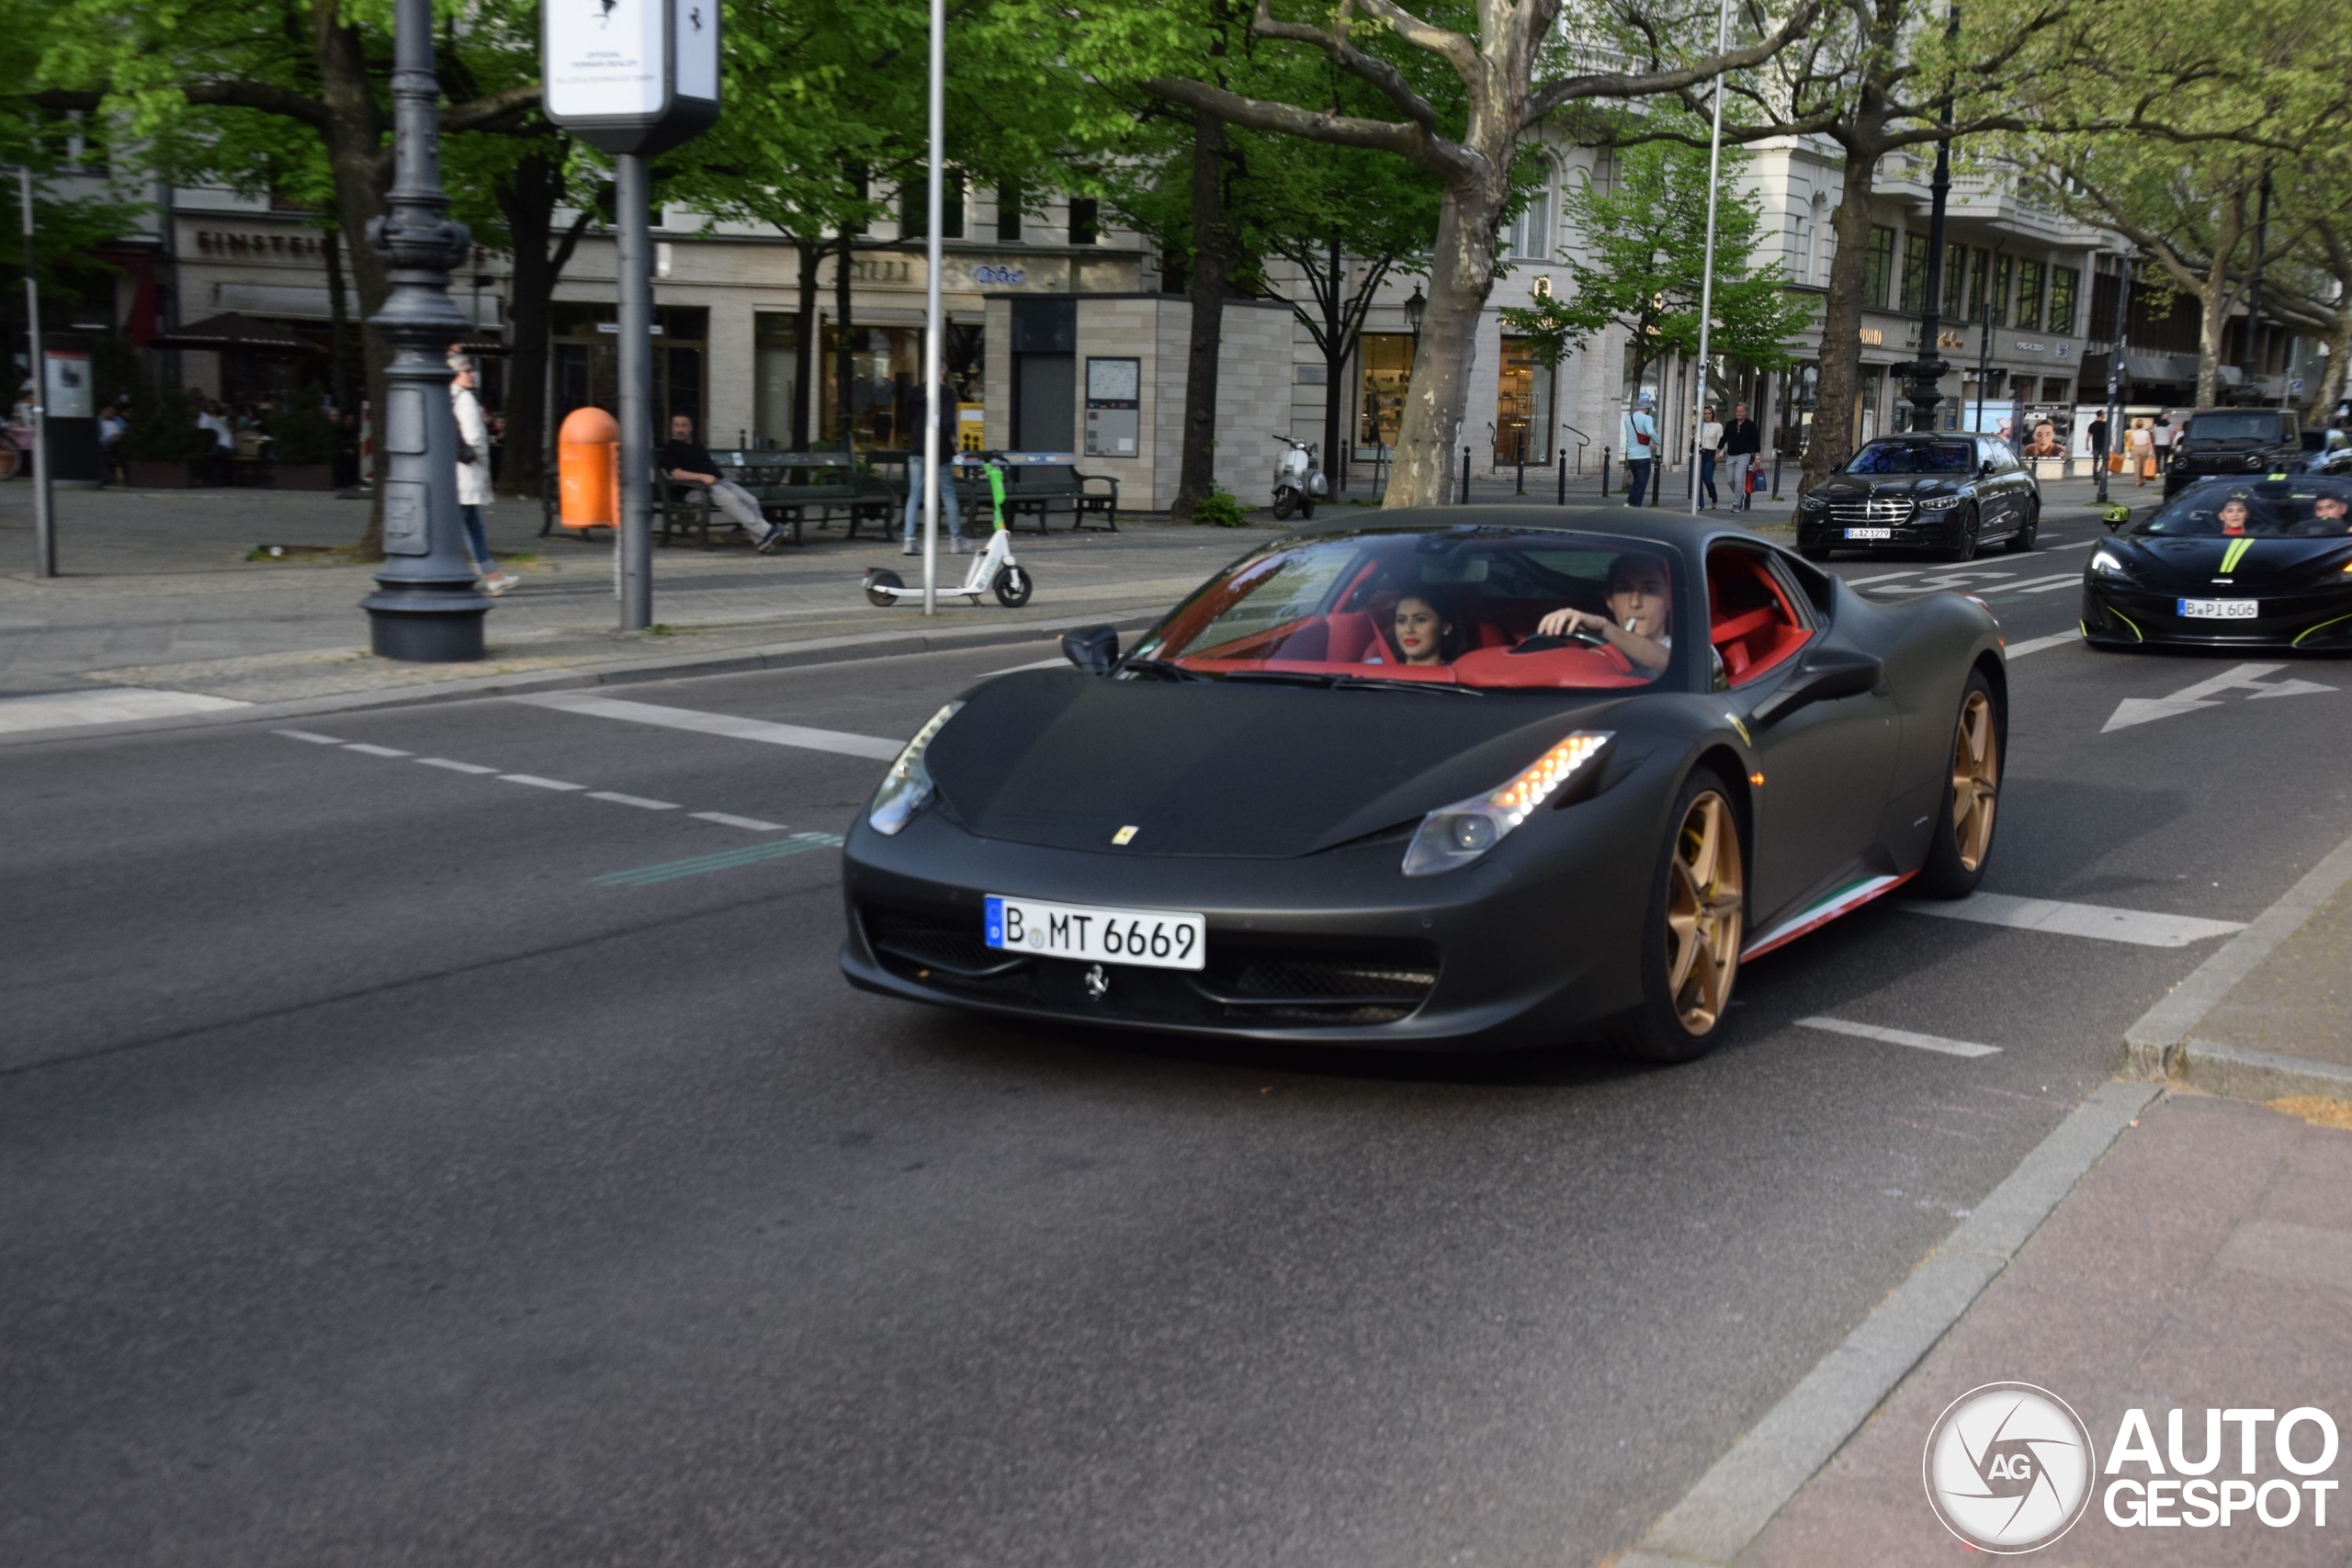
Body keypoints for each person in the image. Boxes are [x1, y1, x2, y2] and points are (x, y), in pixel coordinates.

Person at [662, 413, 787, 552]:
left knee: (751, 500)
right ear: (671, 428)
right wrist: (702, 477)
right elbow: (676, 474)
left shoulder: (696, 444)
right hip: (693, 489)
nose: (680, 429)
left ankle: (762, 542)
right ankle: (768, 531)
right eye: (676, 425)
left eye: (684, 425)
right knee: (730, 499)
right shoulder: (671, 448)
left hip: (717, 483)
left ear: (691, 428)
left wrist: (712, 477)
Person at [1534, 551, 1674, 672]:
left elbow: (1671, 663)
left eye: (1649, 590)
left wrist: (1604, 628)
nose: (1635, 603)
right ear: (1609, 600)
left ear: (1670, 599)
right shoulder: (1595, 654)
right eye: (1624, 589)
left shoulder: (1686, 651)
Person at [449, 355, 519, 595]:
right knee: (461, 526)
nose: (472, 374)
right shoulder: (465, 398)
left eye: (471, 370)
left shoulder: (450, 395)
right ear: (455, 374)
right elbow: (475, 438)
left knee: (472, 525)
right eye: (465, 370)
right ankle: (465, 576)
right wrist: (479, 458)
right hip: (466, 473)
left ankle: (492, 575)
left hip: (457, 473)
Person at [899, 364, 969, 558]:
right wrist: (955, 444)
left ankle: (909, 540)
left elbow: (906, 419)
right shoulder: (946, 393)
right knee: (947, 492)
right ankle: (956, 540)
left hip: (917, 447)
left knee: (915, 494)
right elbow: (948, 422)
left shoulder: (914, 393)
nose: (945, 373)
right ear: (941, 372)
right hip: (939, 449)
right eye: (944, 370)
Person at [1371, 591, 1461, 667]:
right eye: (1401, 620)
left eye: (1420, 620)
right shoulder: (1375, 668)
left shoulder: (1459, 677)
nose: (1409, 630)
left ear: (1445, 627)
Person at [1723, 402, 1761, 512]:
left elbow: (1756, 441)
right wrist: (1718, 450)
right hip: (1731, 455)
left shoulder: (1751, 425)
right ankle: (1740, 496)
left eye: (1741, 411)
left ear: (1745, 413)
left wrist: (1757, 456)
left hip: (1744, 455)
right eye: (1737, 411)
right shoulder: (1731, 424)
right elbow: (1724, 437)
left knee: (1738, 478)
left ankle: (1736, 504)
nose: (1739, 413)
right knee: (1730, 480)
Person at [1623, 392, 1657, 507]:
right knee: (1642, 482)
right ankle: (1636, 506)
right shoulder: (1647, 418)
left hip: (1631, 456)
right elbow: (1650, 432)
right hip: (1643, 456)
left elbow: (1635, 437)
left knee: (1636, 480)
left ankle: (1629, 503)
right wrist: (1658, 441)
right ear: (1646, 408)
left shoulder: (1628, 419)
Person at [1697, 403, 1724, 508]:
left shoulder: (1717, 426)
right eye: (1705, 414)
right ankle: (1700, 503)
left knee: (1708, 479)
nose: (1707, 416)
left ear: (1712, 415)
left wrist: (1719, 454)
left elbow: (1720, 440)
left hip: (1710, 453)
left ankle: (1714, 497)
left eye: (1709, 414)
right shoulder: (1700, 426)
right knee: (1698, 479)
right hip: (1700, 453)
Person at [96, 403, 129, 486]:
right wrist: (107, 440)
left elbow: (124, 429)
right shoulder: (98, 422)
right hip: (103, 443)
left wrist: (118, 436)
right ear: (102, 411)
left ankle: (119, 480)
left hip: (116, 442)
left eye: (112, 412)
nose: (111, 414)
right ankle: (108, 479)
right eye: (109, 411)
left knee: (117, 452)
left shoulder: (117, 420)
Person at [2128, 418, 2155, 487]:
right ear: (2142, 425)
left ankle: (2137, 481)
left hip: (2136, 448)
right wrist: (2152, 452)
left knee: (2137, 465)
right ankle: (2142, 479)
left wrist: (2130, 450)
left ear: (2136, 425)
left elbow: (2130, 442)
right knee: (2143, 465)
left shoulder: (2134, 433)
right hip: (2144, 448)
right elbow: (2150, 443)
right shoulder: (2146, 432)